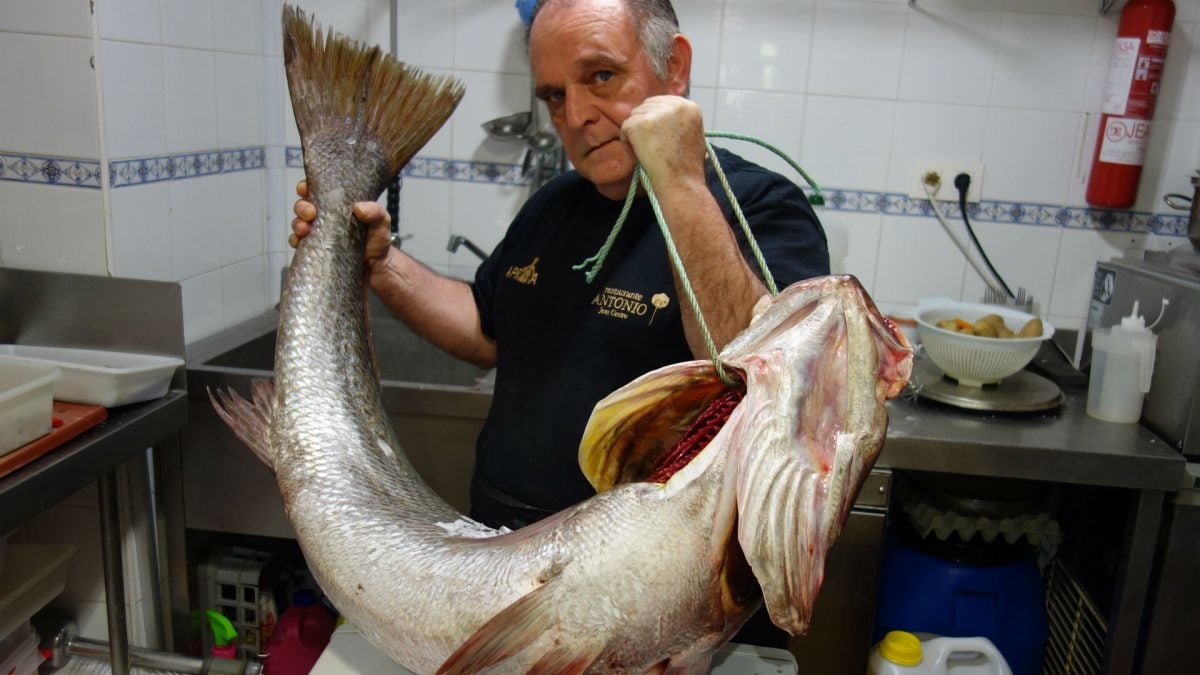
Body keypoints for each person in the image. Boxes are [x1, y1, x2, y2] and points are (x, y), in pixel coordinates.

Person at [293, 0, 827, 550]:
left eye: (601, 76)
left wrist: (681, 182)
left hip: (654, 569)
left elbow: (757, 381)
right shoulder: (556, 203)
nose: (575, 116)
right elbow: (484, 330)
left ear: (674, 66)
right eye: (554, 95)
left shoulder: (761, 206)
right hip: (501, 544)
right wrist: (382, 264)